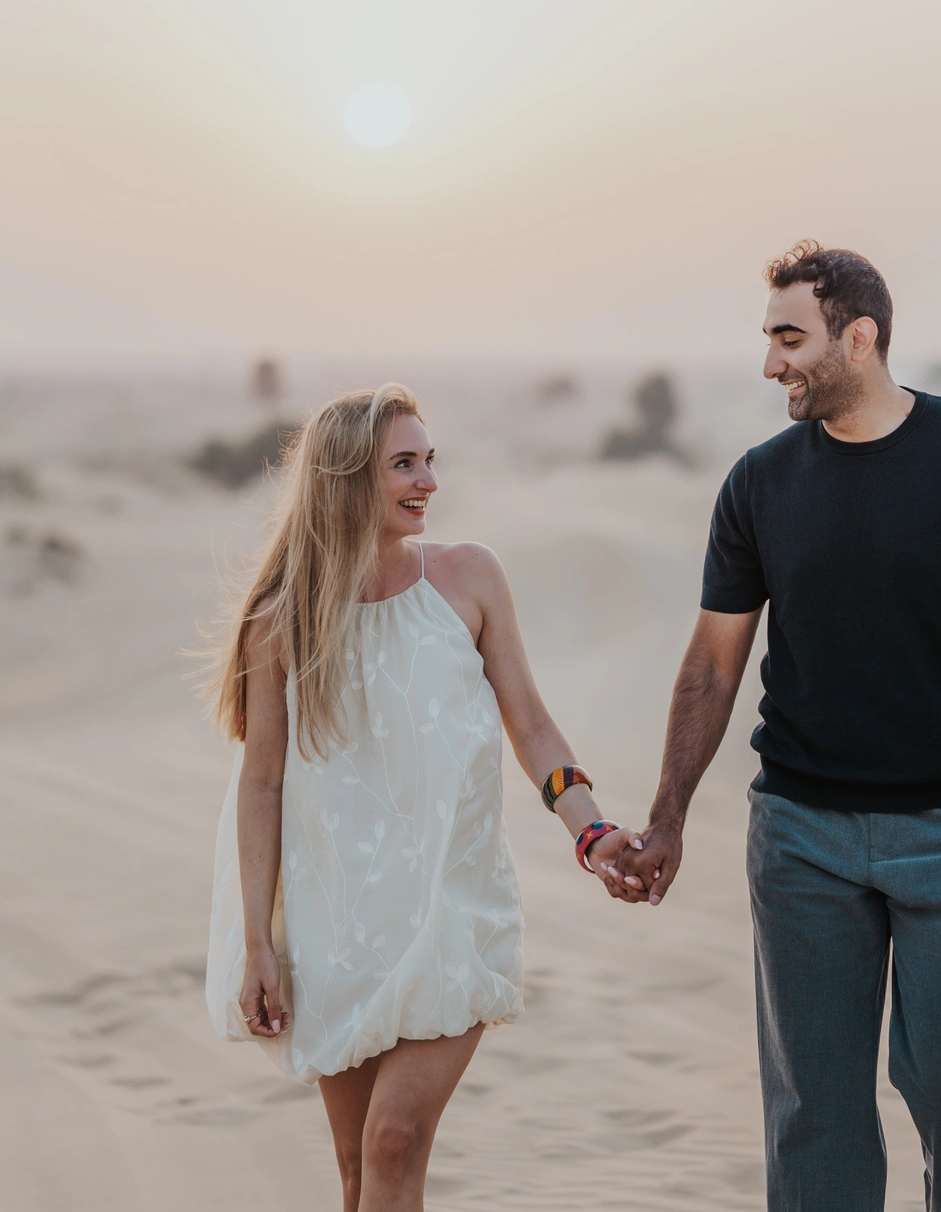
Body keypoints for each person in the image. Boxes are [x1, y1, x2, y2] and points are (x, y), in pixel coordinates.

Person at [616, 242, 941, 1211]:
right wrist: (667, 814)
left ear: (861, 336)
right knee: (815, 1112)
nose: (771, 364)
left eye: (790, 338)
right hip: (801, 835)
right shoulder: (758, 484)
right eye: (768, 340)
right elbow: (714, 662)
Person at [203, 385, 643, 1212]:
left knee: (393, 1140)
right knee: (354, 1169)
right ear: (345, 478)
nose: (428, 480)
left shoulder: (469, 578)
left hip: (449, 911)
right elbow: (262, 782)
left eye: (429, 460)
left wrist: (593, 832)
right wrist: (260, 943)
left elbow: (534, 726)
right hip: (336, 926)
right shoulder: (283, 619)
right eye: (404, 463)